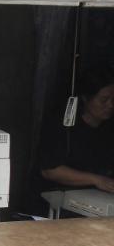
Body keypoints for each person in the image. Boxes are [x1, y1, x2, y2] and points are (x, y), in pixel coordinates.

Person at [40, 66, 114, 194]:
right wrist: (96, 180)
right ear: (85, 98)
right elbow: (50, 170)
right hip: (59, 195)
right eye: (103, 100)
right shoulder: (64, 125)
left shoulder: (109, 129)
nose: (110, 105)